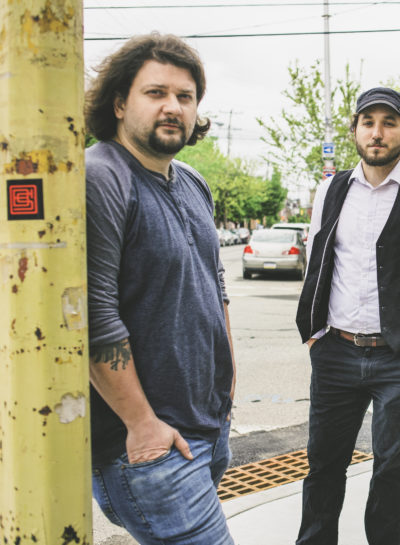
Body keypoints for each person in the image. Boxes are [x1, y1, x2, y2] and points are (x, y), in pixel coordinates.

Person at [84, 33, 236, 545]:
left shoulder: (192, 180)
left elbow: (215, 289)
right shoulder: (100, 176)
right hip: (149, 445)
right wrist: (142, 424)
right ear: (120, 102)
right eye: (156, 93)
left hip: (207, 428)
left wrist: (227, 388)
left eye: (185, 96)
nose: (173, 107)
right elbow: (92, 313)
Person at [295, 87, 400, 545]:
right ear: (355, 130)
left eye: (388, 122)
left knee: (392, 467)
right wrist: (315, 335)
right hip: (335, 352)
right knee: (324, 463)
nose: (377, 132)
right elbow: (318, 261)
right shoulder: (330, 189)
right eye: (368, 122)